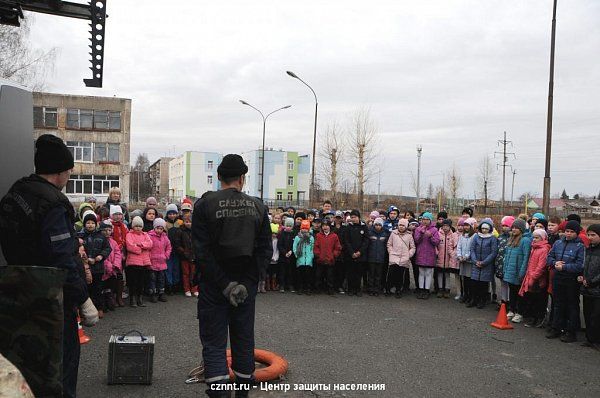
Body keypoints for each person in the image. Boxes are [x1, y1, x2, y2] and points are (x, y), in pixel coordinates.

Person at [0, 134, 98, 397]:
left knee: (26, 368)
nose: (68, 177)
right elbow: (62, 258)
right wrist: (84, 299)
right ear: (60, 171)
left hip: (15, 292)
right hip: (50, 298)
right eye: (68, 171)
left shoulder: (16, 193)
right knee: (60, 367)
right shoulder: (53, 202)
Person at [192, 154, 271, 397]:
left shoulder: (204, 205)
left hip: (214, 286)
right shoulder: (258, 206)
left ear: (218, 177)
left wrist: (225, 285)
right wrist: (247, 283)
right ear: (242, 178)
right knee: (243, 340)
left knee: (215, 344)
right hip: (245, 289)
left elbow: (202, 252)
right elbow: (265, 251)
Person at [546, 220, 585, 343]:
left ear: (577, 233)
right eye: (567, 231)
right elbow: (549, 257)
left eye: (572, 232)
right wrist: (554, 263)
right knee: (558, 303)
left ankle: (571, 331)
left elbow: (580, 265)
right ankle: (556, 327)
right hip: (558, 277)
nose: (568, 234)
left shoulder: (581, 246)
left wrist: (565, 267)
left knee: (572, 305)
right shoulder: (558, 243)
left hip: (572, 279)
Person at [79, 210, 112, 318]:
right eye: (88, 223)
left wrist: (100, 257)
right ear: (84, 224)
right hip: (84, 267)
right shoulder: (80, 236)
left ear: (96, 224)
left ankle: (99, 308)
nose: (90, 225)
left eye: (92, 223)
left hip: (98, 267)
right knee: (85, 289)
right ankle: (86, 311)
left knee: (97, 289)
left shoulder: (100, 236)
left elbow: (107, 248)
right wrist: (84, 258)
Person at [519, 229, 551, 327]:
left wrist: (534, 276)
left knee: (539, 300)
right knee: (531, 299)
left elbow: (541, 266)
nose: (534, 239)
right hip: (530, 277)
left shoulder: (544, 249)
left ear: (543, 238)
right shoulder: (534, 247)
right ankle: (532, 318)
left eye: (537, 237)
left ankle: (539, 318)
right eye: (534, 237)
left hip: (538, 280)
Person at [503, 218, 532, 323]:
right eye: (513, 227)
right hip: (510, 271)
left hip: (518, 271)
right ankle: (512, 310)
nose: (514, 230)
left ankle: (519, 312)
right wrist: (505, 268)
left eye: (516, 228)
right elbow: (507, 255)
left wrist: (522, 272)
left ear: (522, 229)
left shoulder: (525, 240)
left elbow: (526, 257)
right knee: (512, 291)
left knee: (520, 293)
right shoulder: (511, 239)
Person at [469, 219, 498, 309]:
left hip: (486, 265)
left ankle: (482, 300)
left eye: (486, 228)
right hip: (476, 263)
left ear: (489, 229)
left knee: (483, 284)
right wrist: (475, 261)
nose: (484, 230)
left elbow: (493, 252)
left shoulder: (492, 238)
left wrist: (484, 262)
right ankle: (474, 299)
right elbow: (472, 249)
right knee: (474, 283)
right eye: (483, 228)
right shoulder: (476, 237)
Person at [579, 224, 600, 350]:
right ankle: (590, 338)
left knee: (596, 315)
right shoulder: (588, 249)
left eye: (593, 235)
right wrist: (582, 277)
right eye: (589, 234)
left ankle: (596, 339)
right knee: (587, 313)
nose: (590, 237)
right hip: (587, 288)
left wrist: (592, 281)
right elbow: (585, 267)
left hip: (597, 289)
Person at [125, 216, 153, 307]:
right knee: (133, 281)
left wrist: (140, 245)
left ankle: (139, 298)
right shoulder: (129, 234)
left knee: (141, 281)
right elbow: (130, 246)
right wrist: (140, 249)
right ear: (133, 226)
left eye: (140, 226)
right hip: (133, 262)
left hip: (144, 262)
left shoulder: (145, 235)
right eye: (136, 226)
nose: (138, 228)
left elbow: (150, 244)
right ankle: (132, 298)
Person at [340, 210, 369, 297]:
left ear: (359, 217)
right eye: (352, 217)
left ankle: (357, 289)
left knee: (359, 273)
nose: (353, 219)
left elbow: (366, 241)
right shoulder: (348, 227)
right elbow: (346, 240)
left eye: (355, 217)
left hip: (361, 254)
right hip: (350, 254)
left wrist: (360, 252)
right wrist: (352, 252)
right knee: (350, 273)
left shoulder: (364, 227)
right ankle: (351, 289)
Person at [386, 218, 416, 298]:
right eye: (400, 225)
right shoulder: (393, 233)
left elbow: (412, 247)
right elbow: (389, 244)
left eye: (403, 225)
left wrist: (408, 255)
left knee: (400, 275)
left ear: (406, 226)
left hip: (404, 258)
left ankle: (398, 290)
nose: (401, 227)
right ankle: (388, 288)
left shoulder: (409, 235)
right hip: (394, 256)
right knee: (391, 274)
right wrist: (391, 252)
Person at [413, 212, 440, 299]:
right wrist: (421, 233)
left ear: (430, 220)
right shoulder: (418, 229)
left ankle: (426, 290)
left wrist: (430, 236)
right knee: (421, 272)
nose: (425, 221)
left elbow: (436, 242)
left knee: (428, 273)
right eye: (423, 219)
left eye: (427, 219)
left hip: (430, 254)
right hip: (420, 253)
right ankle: (421, 289)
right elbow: (416, 240)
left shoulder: (434, 230)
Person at [313, 220, 342, 295]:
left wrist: (334, 255)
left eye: (326, 225)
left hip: (330, 259)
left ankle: (330, 289)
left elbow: (337, 247)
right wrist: (318, 255)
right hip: (320, 259)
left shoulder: (334, 236)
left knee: (330, 276)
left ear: (330, 226)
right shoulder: (318, 235)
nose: (325, 227)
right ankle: (318, 289)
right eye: (323, 226)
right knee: (318, 275)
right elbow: (316, 246)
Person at [100, 220, 122, 312]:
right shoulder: (100, 241)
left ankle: (110, 300)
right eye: (105, 230)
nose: (107, 232)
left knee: (110, 286)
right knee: (102, 287)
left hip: (113, 269)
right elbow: (100, 254)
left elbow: (117, 253)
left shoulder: (113, 242)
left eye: (109, 230)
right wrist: (108, 265)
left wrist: (116, 264)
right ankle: (103, 302)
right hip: (103, 268)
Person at [148, 218, 172, 303]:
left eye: (161, 228)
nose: (159, 230)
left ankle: (161, 292)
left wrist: (166, 255)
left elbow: (169, 247)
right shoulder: (150, 236)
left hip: (162, 262)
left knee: (161, 279)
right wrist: (149, 257)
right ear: (154, 227)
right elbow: (148, 248)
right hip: (152, 262)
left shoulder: (165, 237)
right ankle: (153, 293)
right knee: (152, 279)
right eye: (157, 228)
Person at [173, 215, 197, 297]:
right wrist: (184, 252)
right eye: (187, 222)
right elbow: (177, 244)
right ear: (183, 222)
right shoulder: (180, 231)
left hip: (194, 256)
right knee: (186, 273)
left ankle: (195, 289)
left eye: (190, 222)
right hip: (185, 256)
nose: (188, 223)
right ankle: (187, 289)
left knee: (194, 273)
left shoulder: (196, 230)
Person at [367, 218, 389, 296]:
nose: (378, 226)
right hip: (371, 257)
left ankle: (376, 289)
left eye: (379, 225)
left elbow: (387, 246)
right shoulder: (370, 232)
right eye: (376, 224)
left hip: (381, 257)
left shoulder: (385, 233)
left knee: (378, 275)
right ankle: (370, 289)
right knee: (371, 274)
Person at [495, 216, 514, 307]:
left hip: (509, 266)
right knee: (502, 283)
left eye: (507, 225)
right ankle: (503, 301)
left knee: (509, 284)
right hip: (500, 265)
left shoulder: (514, 238)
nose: (504, 227)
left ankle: (510, 301)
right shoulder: (500, 237)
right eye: (503, 225)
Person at [436, 219, 457, 298]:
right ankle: (440, 289)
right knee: (440, 274)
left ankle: (447, 289)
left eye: (447, 226)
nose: (445, 228)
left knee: (447, 275)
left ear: (450, 227)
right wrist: (436, 253)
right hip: (440, 258)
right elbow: (435, 245)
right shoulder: (438, 234)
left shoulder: (453, 235)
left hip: (449, 259)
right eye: (444, 226)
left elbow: (454, 246)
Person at [457, 217, 476, 302]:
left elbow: (472, 248)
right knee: (464, 279)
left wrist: (466, 256)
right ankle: (465, 295)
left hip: (469, 261)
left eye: (468, 225)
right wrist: (459, 256)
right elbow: (459, 247)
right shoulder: (462, 236)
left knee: (470, 279)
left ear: (472, 226)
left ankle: (471, 296)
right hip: (462, 261)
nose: (466, 227)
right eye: (465, 225)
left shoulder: (474, 236)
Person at [293, 220, 315, 294]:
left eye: (306, 228)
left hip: (308, 259)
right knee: (300, 275)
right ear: (300, 229)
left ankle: (307, 288)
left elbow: (312, 247)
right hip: (300, 259)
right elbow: (294, 247)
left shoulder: (311, 238)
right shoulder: (297, 237)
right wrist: (296, 255)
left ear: (308, 229)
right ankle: (300, 288)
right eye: (303, 228)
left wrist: (311, 256)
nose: (304, 230)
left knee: (308, 275)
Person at [277, 217, 296, 293]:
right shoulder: (281, 234)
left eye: (290, 226)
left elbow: (295, 244)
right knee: (282, 271)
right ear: (284, 225)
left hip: (291, 256)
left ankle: (290, 285)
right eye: (287, 225)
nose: (288, 227)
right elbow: (279, 245)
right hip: (283, 256)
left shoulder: (294, 234)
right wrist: (285, 253)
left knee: (290, 271)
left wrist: (291, 251)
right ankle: (282, 285)